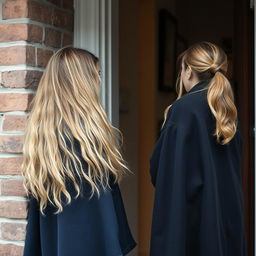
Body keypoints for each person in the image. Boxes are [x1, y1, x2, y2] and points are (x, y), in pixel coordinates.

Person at [22, 47, 136, 256]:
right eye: (97, 75)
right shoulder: (83, 145)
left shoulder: (46, 141)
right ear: (81, 82)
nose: (100, 81)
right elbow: (97, 227)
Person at [149, 41, 247, 256]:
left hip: (192, 217)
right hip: (226, 215)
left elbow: (160, 170)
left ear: (188, 71)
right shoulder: (227, 109)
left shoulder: (183, 108)